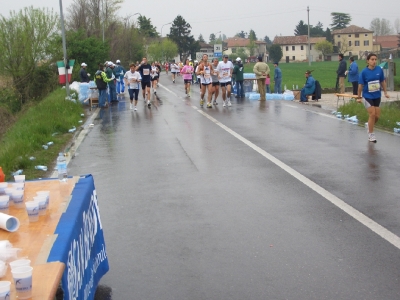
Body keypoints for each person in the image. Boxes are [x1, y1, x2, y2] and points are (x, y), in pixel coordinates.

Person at [357, 53, 390, 143]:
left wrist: (385, 92)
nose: (374, 61)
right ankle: (371, 134)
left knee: (377, 116)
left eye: (375, 59)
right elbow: (360, 85)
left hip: (377, 95)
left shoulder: (379, 69)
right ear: (367, 61)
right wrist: (359, 97)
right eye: (372, 59)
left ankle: (369, 125)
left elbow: (382, 81)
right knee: (372, 114)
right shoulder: (364, 72)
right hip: (367, 96)